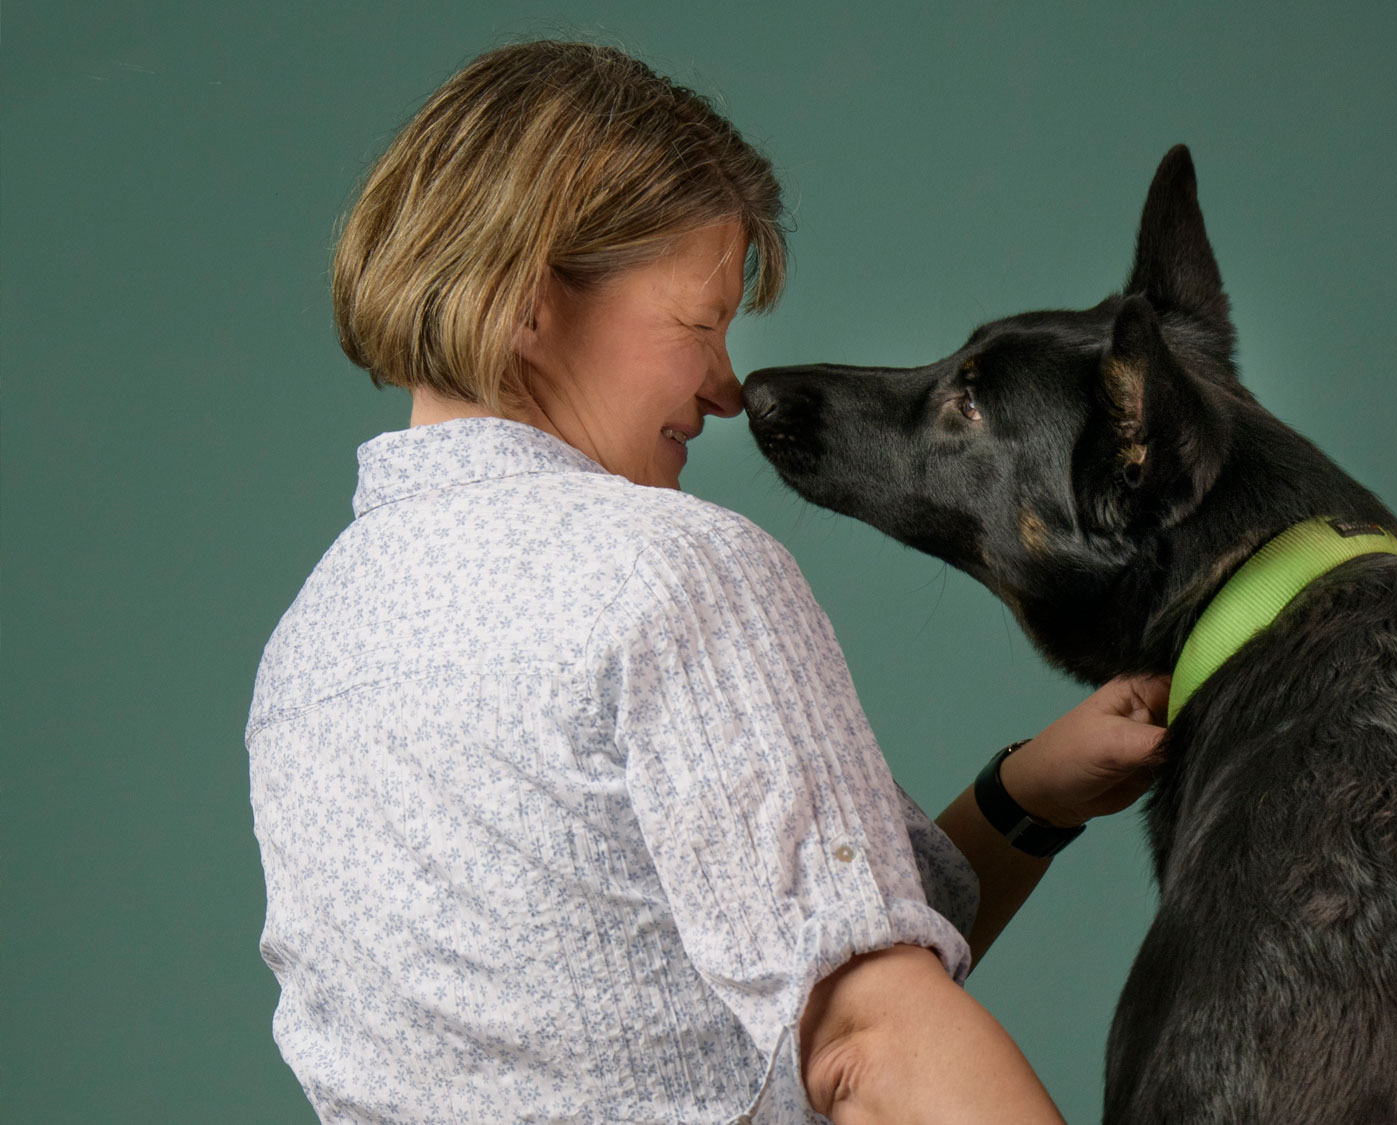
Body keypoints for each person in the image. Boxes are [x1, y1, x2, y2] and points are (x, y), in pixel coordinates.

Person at [246, 39, 1167, 1125]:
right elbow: (865, 1041)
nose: (728, 388)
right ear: (527, 301)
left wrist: (1025, 801)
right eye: (701, 324)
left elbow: (744, 964)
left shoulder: (307, 656)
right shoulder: (663, 565)